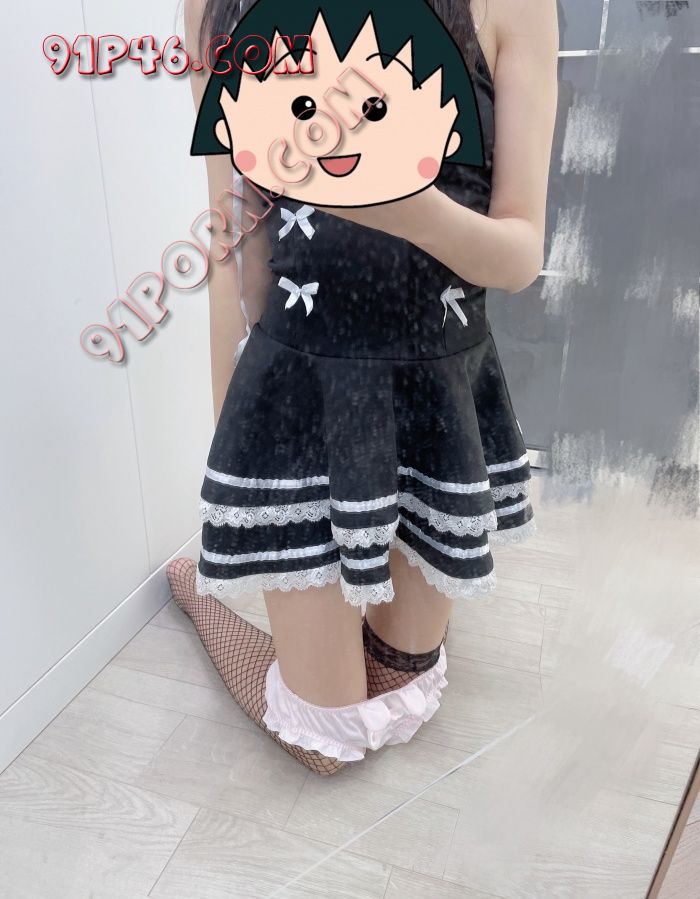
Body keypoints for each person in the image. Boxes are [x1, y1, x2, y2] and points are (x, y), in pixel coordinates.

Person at [168, 0, 558, 776]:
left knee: (402, 691)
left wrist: (409, 210)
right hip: (295, 394)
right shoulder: (216, 7)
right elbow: (233, 249)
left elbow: (519, 256)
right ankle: (200, 596)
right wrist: (236, 469)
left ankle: (374, 571)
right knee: (331, 743)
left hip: (432, 400)